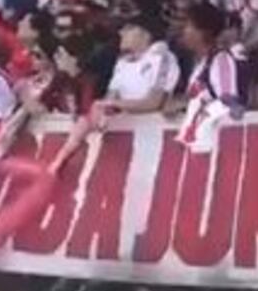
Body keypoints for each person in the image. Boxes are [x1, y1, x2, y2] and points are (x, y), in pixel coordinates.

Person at [48, 16, 179, 174]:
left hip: (155, 138)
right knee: (91, 112)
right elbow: (111, 98)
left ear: (145, 34)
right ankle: (61, 158)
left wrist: (112, 105)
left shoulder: (162, 58)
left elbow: (154, 102)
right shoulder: (122, 63)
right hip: (125, 136)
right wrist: (103, 110)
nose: (121, 33)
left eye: (128, 28)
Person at [175, 3, 242, 108]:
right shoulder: (199, 65)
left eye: (187, 26)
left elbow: (228, 103)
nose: (182, 31)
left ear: (203, 32)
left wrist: (187, 105)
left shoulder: (221, 60)